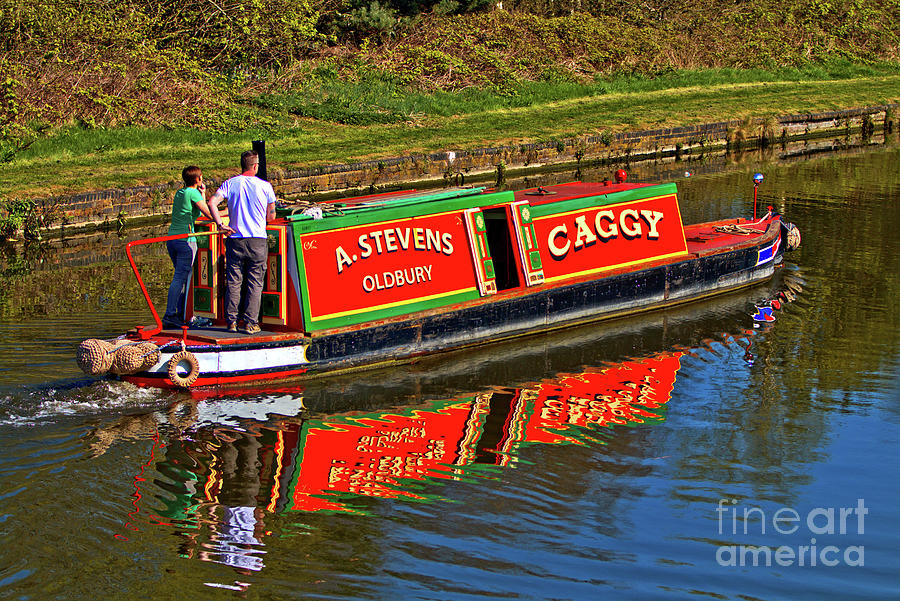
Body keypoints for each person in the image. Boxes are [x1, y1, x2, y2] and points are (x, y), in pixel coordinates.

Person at [208, 150, 276, 335]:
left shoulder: (230, 183)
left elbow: (212, 202)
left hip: (235, 239)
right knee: (255, 282)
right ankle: (251, 323)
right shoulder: (265, 186)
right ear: (255, 166)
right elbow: (271, 216)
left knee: (234, 281)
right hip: (257, 240)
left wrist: (220, 224)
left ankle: (231, 322)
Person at [163, 166, 230, 329]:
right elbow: (209, 213)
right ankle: (170, 315)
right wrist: (227, 212)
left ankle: (180, 313)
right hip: (186, 240)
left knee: (182, 278)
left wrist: (203, 192)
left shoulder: (181, 193)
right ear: (198, 179)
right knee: (180, 278)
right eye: (201, 177)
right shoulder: (192, 193)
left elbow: (199, 211)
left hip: (172, 240)